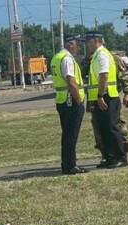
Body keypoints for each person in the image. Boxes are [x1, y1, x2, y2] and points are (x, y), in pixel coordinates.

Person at [81, 50, 128, 164]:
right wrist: (86, 60)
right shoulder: (91, 60)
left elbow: (124, 75)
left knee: (117, 125)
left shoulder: (110, 57)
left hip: (110, 98)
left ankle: (124, 152)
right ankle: (107, 155)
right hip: (95, 99)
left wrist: (127, 93)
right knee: (99, 128)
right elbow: (83, 76)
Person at [84, 30, 126, 169]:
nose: (86, 46)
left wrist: (100, 96)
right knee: (104, 129)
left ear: (95, 41)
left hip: (107, 96)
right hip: (101, 96)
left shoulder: (101, 54)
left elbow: (104, 76)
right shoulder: (96, 55)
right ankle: (109, 157)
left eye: (88, 42)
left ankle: (120, 157)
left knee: (111, 127)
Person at [50, 34, 86, 175]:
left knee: (68, 134)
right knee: (71, 135)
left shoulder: (57, 57)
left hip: (62, 100)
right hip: (71, 100)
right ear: (70, 44)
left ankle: (68, 163)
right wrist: (79, 100)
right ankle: (70, 165)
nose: (78, 46)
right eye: (77, 43)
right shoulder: (67, 59)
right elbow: (71, 81)